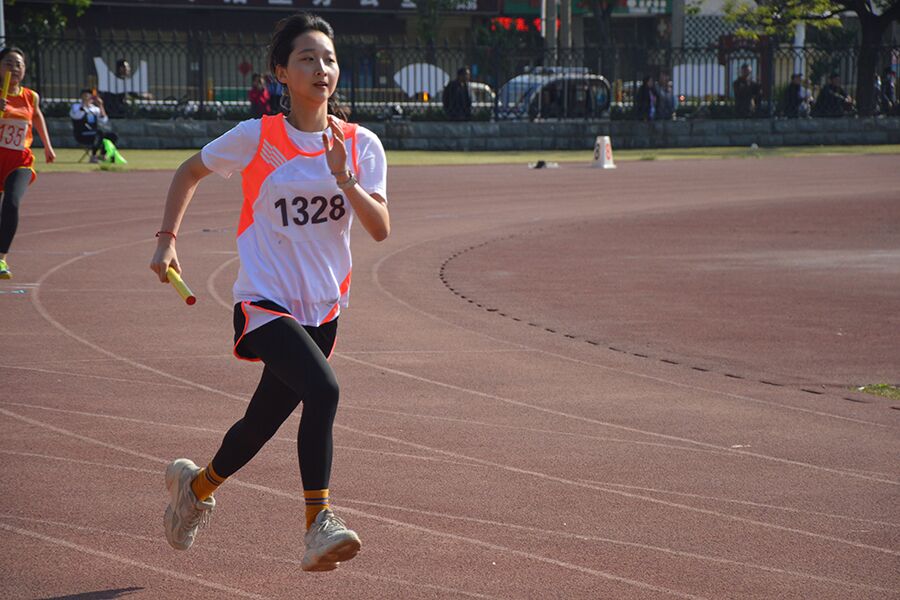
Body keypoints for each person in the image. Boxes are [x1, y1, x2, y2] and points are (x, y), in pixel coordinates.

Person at [149, 13, 390, 572]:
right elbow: (188, 171)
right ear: (281, 71)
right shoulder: (257, 137)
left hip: (321, 310)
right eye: (307, 58)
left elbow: (380, 229)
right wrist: (167, 241)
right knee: (324, 391)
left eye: (329, 59)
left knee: (260, 424)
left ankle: (195, 488)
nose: (321, 68)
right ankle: (318, 523)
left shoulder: (361, 144)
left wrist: (344, 177)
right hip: (264, 301)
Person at [0, 47, 56, 280]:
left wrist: (47, 145)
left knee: (12, 203)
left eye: (19, 64)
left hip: (19, 160)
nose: (14, 68)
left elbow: (37, 116)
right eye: (9, 63)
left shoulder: (31, 96)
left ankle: (1, 258)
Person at [70, 89, 122, 163]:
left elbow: (104, 120)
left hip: (94, 133)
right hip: (82, 133)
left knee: (112, 135)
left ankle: (103, 155)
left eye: (89, 96)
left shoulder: (94, 109)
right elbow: (76, 116)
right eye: (85, 96)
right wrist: (84, 106)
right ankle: (93, 156)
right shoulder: (76, 106)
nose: (88, 98)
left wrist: (100, 105)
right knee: (99, 133)